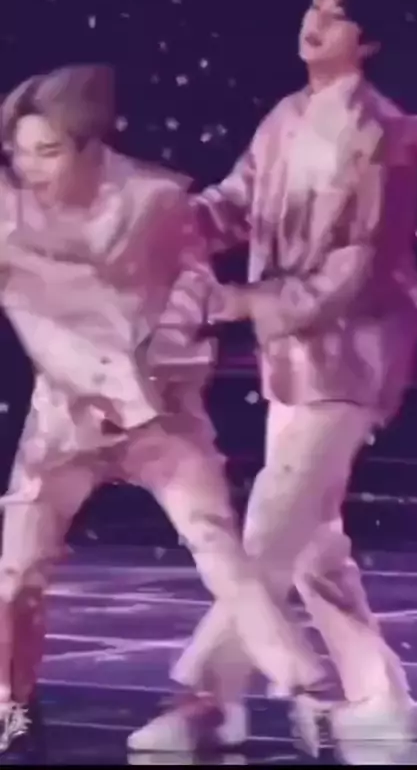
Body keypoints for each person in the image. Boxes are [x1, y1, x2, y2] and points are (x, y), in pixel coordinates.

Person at [129, 0, 417, 756]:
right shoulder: (286, 117)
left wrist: (243, 302)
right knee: (313, 539)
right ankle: (379, 696)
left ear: (369, 42)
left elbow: (350, 271)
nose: (315, 23)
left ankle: (206, 697)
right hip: (292, 357)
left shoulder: (373, 132)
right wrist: (155, 223)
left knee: (272, 524)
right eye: (314, 7)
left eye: (336, 16)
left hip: (354, 355)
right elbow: (232, 205)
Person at [0, 64, 331, 754]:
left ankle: (303, 688)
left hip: (159, 415)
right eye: (18, 153)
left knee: (218, 548)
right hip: (63, 421)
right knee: (16, 574)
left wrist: (169, 357)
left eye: (47, 152)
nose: (29, 168)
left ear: (90, 146)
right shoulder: (8, 213)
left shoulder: (153, 201)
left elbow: (196, 287)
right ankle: (12, 704)